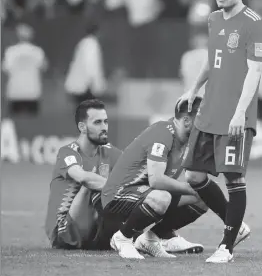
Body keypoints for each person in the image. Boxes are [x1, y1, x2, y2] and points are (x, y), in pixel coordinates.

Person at [177, 0, 262, 263]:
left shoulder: (254, 24)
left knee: (233, 178)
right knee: (194, 176)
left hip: (234, 116)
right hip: (208, 113)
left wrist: (240, 113)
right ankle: (235, 223)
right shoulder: (214, 19)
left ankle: (226, 247)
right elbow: (211, 58)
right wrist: (193, 89)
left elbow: (255, 72)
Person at [102, 97, 237, 260]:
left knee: (203, 195)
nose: (205, 126)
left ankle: (152, 238)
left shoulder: (188, 141)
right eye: (202, 120)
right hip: (117, 196)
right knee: (163, 197)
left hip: (146, 195)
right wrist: (189, 188)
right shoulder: (163, 133)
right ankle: (123, 237)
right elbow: (156, 180)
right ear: (187, 121)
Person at [45, 99, 122, 250]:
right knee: (92, 186)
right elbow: (82, 177)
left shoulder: (109, 151)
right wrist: (119, 188)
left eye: (106, 122)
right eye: (97, 122)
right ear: (82, 127)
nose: (104, 127)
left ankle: (148, 237)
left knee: (133, 189)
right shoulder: (67, 152)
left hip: (92, 229)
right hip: (64, 231)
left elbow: (131, 169)